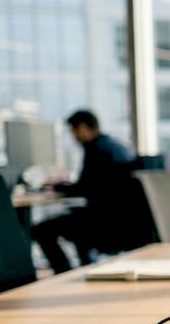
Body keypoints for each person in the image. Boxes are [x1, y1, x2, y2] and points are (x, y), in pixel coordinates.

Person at [31, 110, 137, 273]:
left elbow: (84, 188)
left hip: (102, 222)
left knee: (41, 230)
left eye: (74, 132)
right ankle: (86, 268)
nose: (74, 138)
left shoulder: (96, 149)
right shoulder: (118, 146)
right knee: (77, 221)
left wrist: (58, 186)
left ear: (82, 128)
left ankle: (64, 273)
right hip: (123, 221)